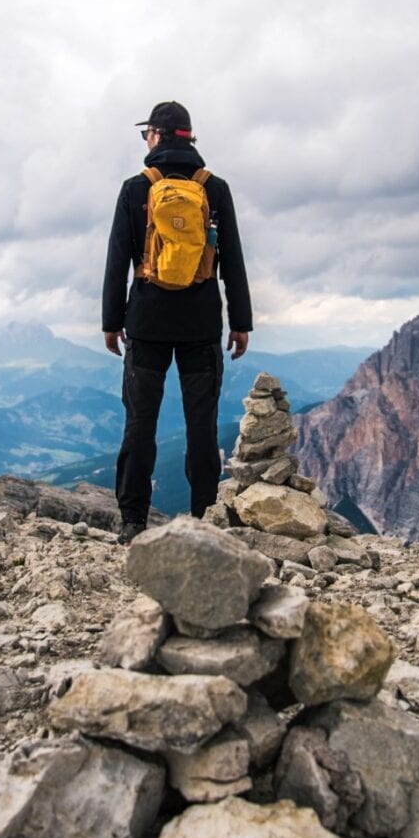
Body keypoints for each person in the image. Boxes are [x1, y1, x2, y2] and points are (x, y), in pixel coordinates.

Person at [102, 101, 252, 544]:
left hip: (146, 322)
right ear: (188, 137)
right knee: (201, 423)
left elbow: (118, 260)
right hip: (202, 322)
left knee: (140, 421)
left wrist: (111, 321)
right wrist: (240, 321)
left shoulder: (136, 188)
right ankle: (205, 516)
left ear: (156, 135)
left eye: (146, 133)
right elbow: (233, 260)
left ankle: (132, 520)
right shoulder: (215, 188)